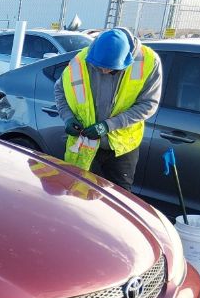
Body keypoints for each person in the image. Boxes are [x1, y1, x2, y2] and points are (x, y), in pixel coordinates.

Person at [54, 27, 162, 192]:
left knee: (118, 201)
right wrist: (67, 117)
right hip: (85, 146)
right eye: (99, 67)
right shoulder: (81, 60)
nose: (103, 71)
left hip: (121, 150)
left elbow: (149, 104)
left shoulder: (149, 62)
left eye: (110, 69)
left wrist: (108, 126)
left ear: (127, 60)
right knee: (78, 196)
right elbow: (60, 90)